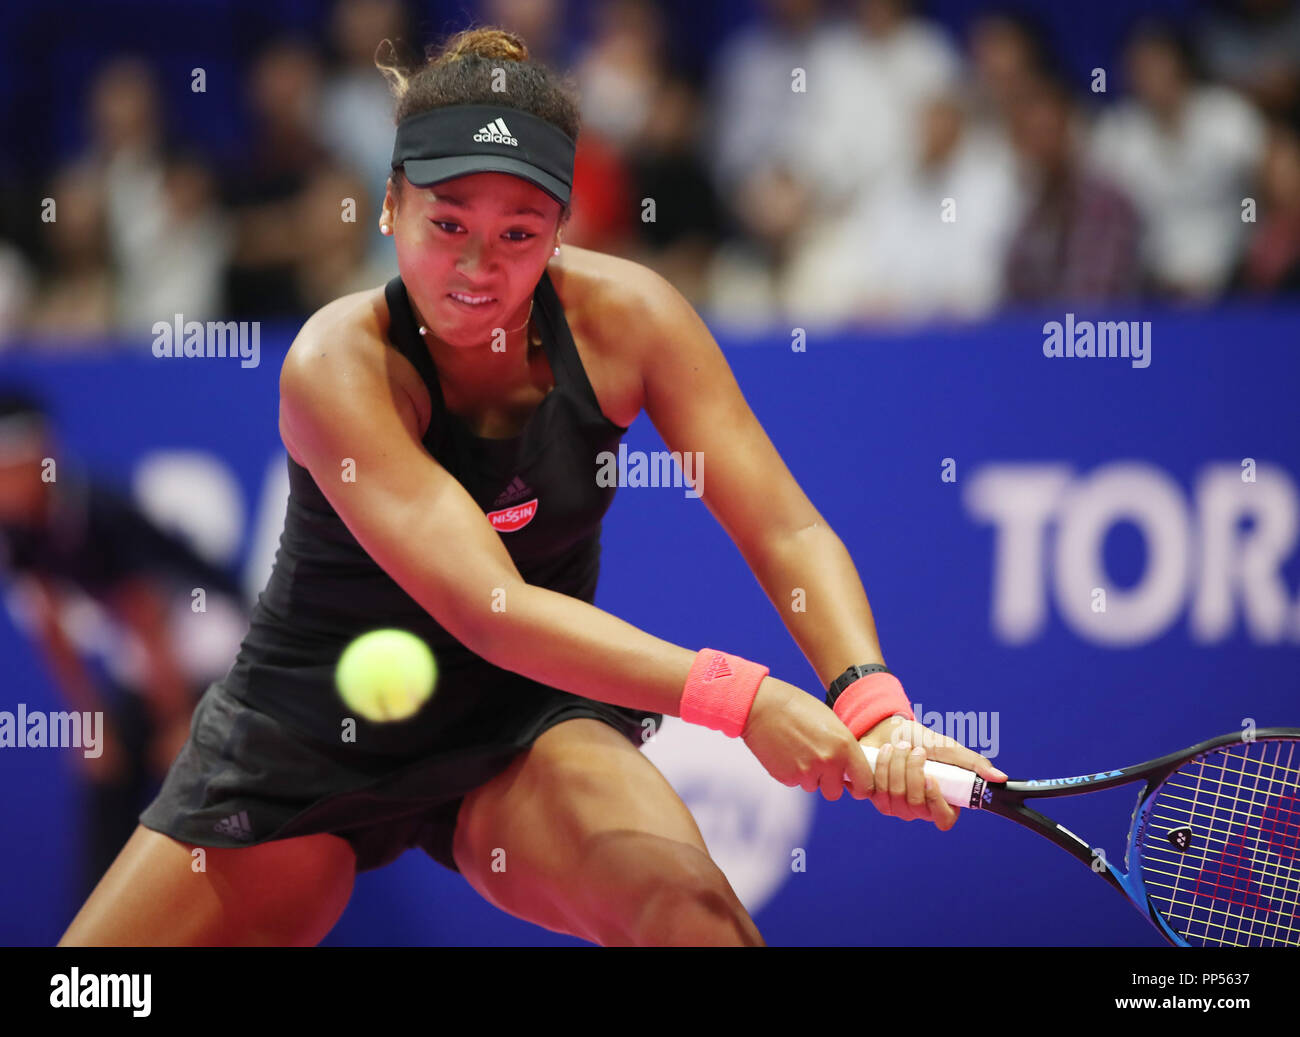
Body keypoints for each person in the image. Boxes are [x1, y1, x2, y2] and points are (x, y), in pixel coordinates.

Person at [58, 26, 1004, 948]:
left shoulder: (630, 322)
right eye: (448, 225)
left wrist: (871, 700)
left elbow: (786, 530)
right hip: (301, 739)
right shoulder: (334, 364)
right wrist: (744, 700)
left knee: (693, 921)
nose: (477, 267)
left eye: (518, 231)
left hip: (520, 723)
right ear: (389, 206)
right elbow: (493, 606)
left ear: (562, 227)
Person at [0, 390, 247, 900]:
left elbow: (148, 615)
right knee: (107, 774)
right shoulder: (18, 527)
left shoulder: (99, 512)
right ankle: (97, 940)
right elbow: (50, 623)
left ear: (40, 459)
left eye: (6, 472)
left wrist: (179, 721)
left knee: (193, 776)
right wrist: (90, 725)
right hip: (148, 656)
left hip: (210, 639)